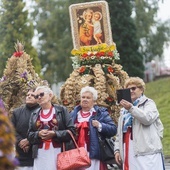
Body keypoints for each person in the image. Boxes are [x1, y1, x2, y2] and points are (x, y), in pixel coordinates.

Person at [114, 77, 165, 170]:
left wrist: (131, 108)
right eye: (128, 89)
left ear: (141, 90)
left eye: (133, 88)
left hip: (147, 151)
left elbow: (147, 119)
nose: (131, 91)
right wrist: (117, 150)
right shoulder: (124, 110)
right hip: (128, 149)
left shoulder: (148, 103)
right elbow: (119, 133)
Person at [27, 86, 75, 170]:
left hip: (59, 152)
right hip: (40, 154)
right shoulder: (34, 114)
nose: (39, 97)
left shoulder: (62, 110)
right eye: (36, 96)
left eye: (41, 94)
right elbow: (29, 135)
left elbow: (72, 131)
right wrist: (38, 134)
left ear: (50, 95)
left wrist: (55, 134)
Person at [70, 86, 117, 170]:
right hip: (76, 154)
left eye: (88, 98)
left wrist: (100, 125)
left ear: (94, 101)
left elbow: (113, 129)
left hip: (94, 153)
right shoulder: (73, 114)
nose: (85, 99)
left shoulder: (100, 113)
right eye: (83, 97)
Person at [11, 88, 39, 170]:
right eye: (27, 95)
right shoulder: (17, 112)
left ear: (38, 98)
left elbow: (43, 129)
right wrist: (20, 141)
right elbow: (11, 130)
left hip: (37, 156)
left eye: (32, 95)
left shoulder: (42, 112)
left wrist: (29, 141)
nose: (29, 97)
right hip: (20, 157)